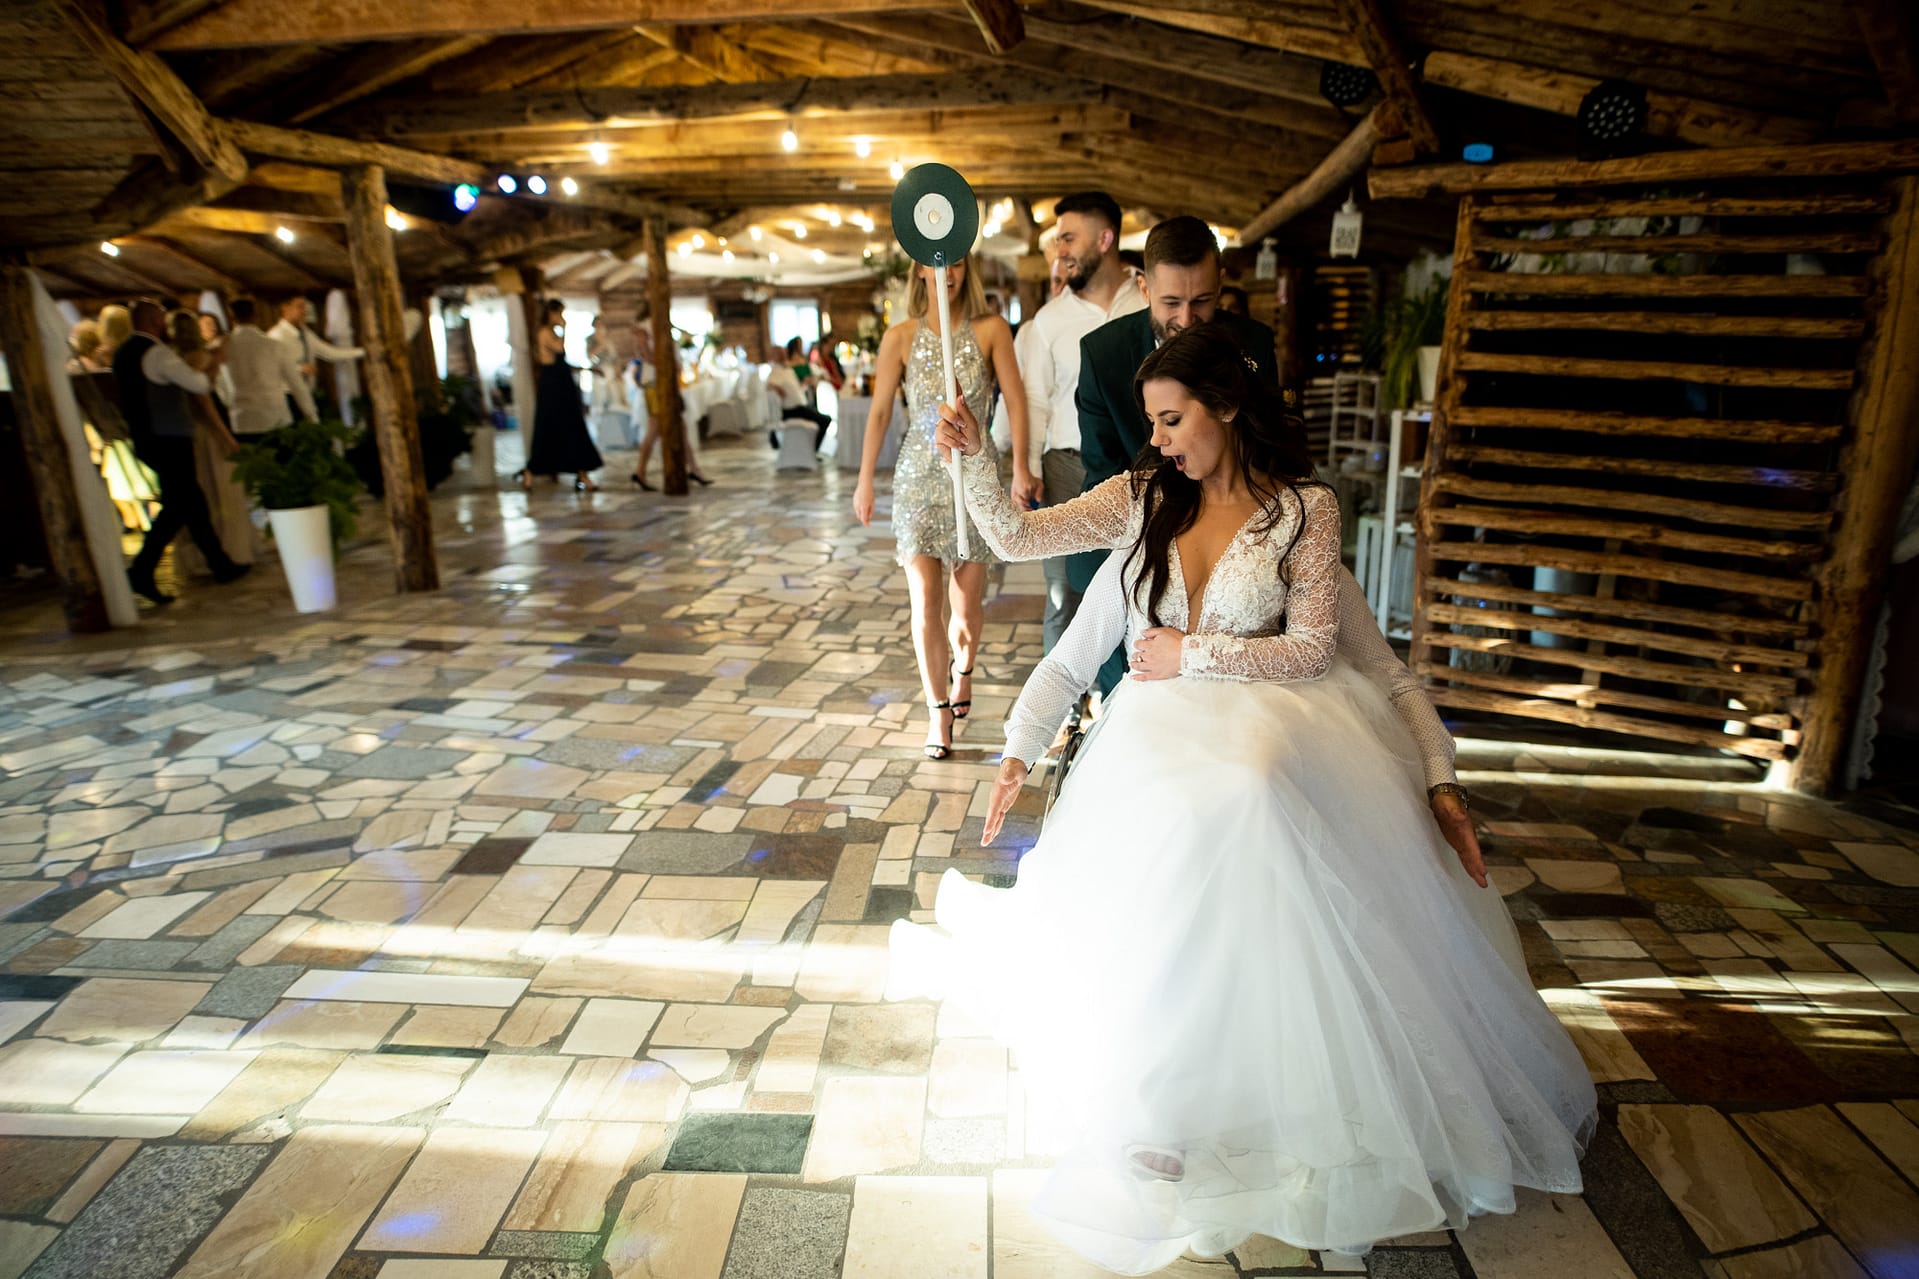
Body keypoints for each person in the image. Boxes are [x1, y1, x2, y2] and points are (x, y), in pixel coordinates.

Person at [901, 324, 1595, 1271]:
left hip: (1271, 732)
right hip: (1157, 750)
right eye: (1149, 423)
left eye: (1171, 419)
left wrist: (1195, 655)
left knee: (1245, 795)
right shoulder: (1143, 497)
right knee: (1190, 823)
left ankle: (1218, 1087)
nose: (1157, 441)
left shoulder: (1303, 511)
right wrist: (974, 457)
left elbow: (1315, 651)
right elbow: (1023, 546)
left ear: (1225, 407)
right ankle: (1158, 1095)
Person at [1073, 215, 1281, 694]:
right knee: (1130, 695)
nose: (1186, 319)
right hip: (1134, 542)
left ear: (1220, 283)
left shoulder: (1253, 344)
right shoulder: (1103, 354)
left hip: (1235, 546)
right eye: (1171, 302)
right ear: (1144, 288)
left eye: (1202, 301)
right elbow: (1103, 468)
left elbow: (1270, 447)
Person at [853, 253, 1029, 760]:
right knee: (925, 601)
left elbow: (1015, 399)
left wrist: (1020, 467)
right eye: (936, 265)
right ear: (919, 272)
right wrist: (865, 480)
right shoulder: (899, 337)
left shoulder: (992, 329)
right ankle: (937, 712)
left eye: (955, 263)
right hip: (917, 478)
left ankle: (964, 670)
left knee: (966, 610)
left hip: (973, 473)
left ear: (965, 270)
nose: (946, 273)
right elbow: (880, 412)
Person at [998, 191, 1143, 653]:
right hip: (1066, 468)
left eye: (1067, 238)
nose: (1059, 250)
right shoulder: (1049, 320)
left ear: (1105, 239)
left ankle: (1121, 692)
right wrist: (1026, 469)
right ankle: (1063, 696)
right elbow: (1034, 400)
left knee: (1136, 590)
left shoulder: (1147, 300)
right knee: (1064, 595)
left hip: (1137, 467)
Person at [112, 299, 248, 604]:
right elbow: (197, 384)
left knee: (190, 503)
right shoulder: (157, 353)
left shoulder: (123, 353)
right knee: (179, 506)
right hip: (169, 437)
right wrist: (212, 362)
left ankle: (219, 564)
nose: (166, 326)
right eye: (162, 320)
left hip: (145, 436)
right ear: (153, 322)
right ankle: (142, 570)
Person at [165, 310, 253, 574]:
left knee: (205, 490)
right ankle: (232, 549)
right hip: (207, 432)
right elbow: (205, 402)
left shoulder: (173, 359)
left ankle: (207, 555)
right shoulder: (198, 358)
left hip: (190, 430)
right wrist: (226, 436)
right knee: (223, 490)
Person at [522, 299, 602, 491]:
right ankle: (531, 471)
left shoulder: (552, 333)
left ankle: (582, 474)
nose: (560, 317)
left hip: (563, 386)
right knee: (548, 427)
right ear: (550, 313)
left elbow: (563, 363)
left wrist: (586, 369)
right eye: (558, 313)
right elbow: (558, 350)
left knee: (573, 428)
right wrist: (564, 330)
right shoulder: (544, 333)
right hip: (552, 387)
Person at [627, 313, 711, 491]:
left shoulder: (664, 330)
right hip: (656, 386)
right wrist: (668, 364)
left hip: (669, 384)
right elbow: (646, 355)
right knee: (654, 430)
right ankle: (640, 471)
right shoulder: (645, 330)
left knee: (681, 428)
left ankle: (693, 468)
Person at [223, 296, 316, 442]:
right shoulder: (273, 346)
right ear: (256, 316)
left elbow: (219, 385)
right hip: (275, 416)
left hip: (242, 420)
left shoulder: (223, 348)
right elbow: (296, 383)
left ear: (230, 318)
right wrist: (311, 416)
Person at [269, 295, 362, 414]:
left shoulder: (305, 333)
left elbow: (328, 352)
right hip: (288, 396)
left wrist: (362, 352)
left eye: (304, 307)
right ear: (285, 308)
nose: (304, 311)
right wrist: (300, 369)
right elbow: (271, 365)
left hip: (307, 394)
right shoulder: (276, 335)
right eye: (299, 307)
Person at [767, 337, 831, 450]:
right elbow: (768, 385)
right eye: (780, 353)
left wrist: (805, 383)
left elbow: (797, 388)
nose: (784, 355)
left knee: (822, 417)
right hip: (791, 411)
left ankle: (810, 449)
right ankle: (812, 450)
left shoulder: (788, 370)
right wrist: (776, 388)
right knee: (825, 420)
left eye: (783, 352)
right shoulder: (776, 371)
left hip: (800, 406)